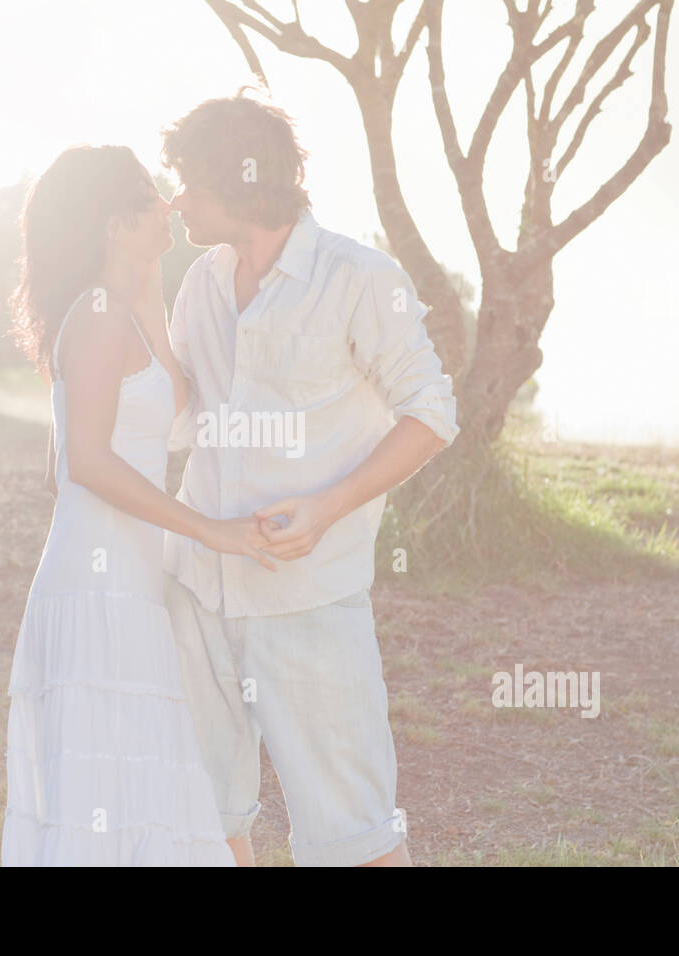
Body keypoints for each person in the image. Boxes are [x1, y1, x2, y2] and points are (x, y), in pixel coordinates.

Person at [160, 93, 461, 867]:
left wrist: (327, 509)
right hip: (198, 587)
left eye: (188, 180)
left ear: (238, 179)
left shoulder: (360, 276)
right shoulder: (199, 282)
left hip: (308, 599)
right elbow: (181, 408)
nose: (177, 199)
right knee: (207, 820)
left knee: (353, 836)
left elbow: (431, 412)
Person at [0, 144, 275, 866]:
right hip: (95, 591)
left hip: (129, 588)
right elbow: (82, 461)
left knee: (139, 802)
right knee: (108, 809)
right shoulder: (94, 315)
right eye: (153, 197)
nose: (170, 206)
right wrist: (208, 530)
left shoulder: (122, 307)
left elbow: (175, 406)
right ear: (116, 221)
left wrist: (147, 280)